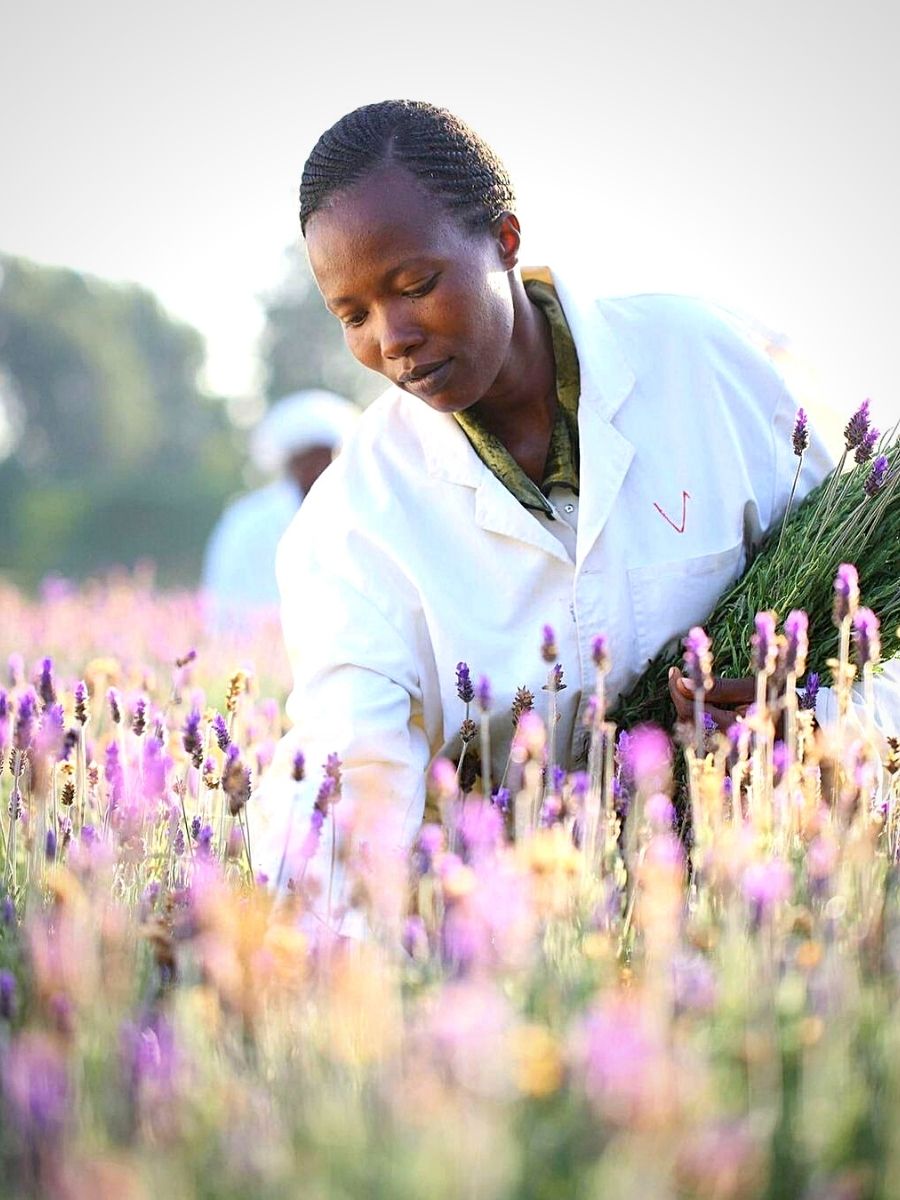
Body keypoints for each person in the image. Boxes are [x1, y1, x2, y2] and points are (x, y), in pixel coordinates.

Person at [257, 100, 900, 931]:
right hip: (535, 939)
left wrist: (818, 717)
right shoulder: (353, 520)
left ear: (506, 240)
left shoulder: (707, 364)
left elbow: (885, 623)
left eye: (416, 285)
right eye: (354, 316)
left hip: (785, 900)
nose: (394, 337)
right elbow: (352, 776)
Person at [201, 389, 358, 628]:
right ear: (292, 464)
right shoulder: (248, 520)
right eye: (309, 460)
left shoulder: (357, 515)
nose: (319, 470)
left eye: (326, 459)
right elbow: (223, 602)